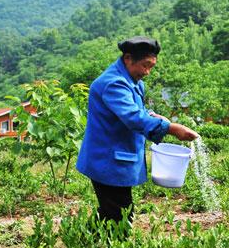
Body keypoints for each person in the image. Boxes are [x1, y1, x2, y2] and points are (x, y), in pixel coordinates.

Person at [76, 36, 199, 226]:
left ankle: (82, 244)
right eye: (144, 65)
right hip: (107, 160)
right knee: (120, 215)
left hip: (116, 157)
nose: (147, 72)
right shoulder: (114, 84)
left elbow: (134, 111)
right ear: (127, 58)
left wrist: (152, 115)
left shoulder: (132, 81)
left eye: (151, 66)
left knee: (112, 212)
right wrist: (172, 129)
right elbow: (133, 118)